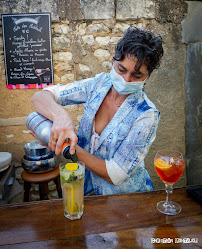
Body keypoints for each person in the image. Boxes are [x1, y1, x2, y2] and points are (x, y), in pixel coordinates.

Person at [31, 26, 163, 195]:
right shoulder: (98, 85)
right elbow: (40, 97)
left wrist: (65, 145)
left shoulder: (146, 114)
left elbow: (116, 174)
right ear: (113, 60)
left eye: (137, 76)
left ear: (148, 76)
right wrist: (60, 116)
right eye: (121, 69)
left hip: (127, 201)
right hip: (87, 193)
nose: (126, 80)